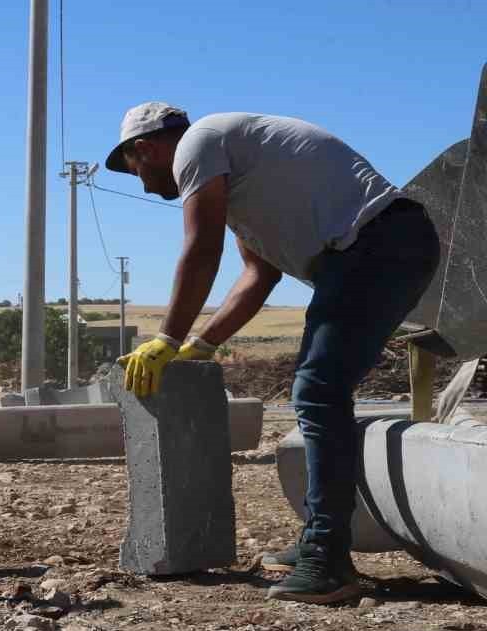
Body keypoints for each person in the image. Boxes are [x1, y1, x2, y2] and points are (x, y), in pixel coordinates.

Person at [106, 103, 439, 604]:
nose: (146, 187)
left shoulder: (199, 142)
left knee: (319, 390)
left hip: (379, 244)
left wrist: (167, 339)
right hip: (374, 250)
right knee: (320, 389)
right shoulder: (237, 175)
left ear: (146, 148)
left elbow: (202, 249)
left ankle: (328, 560)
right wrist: (202, 345)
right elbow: (258, 275)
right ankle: (318, 542)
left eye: (137, 171)